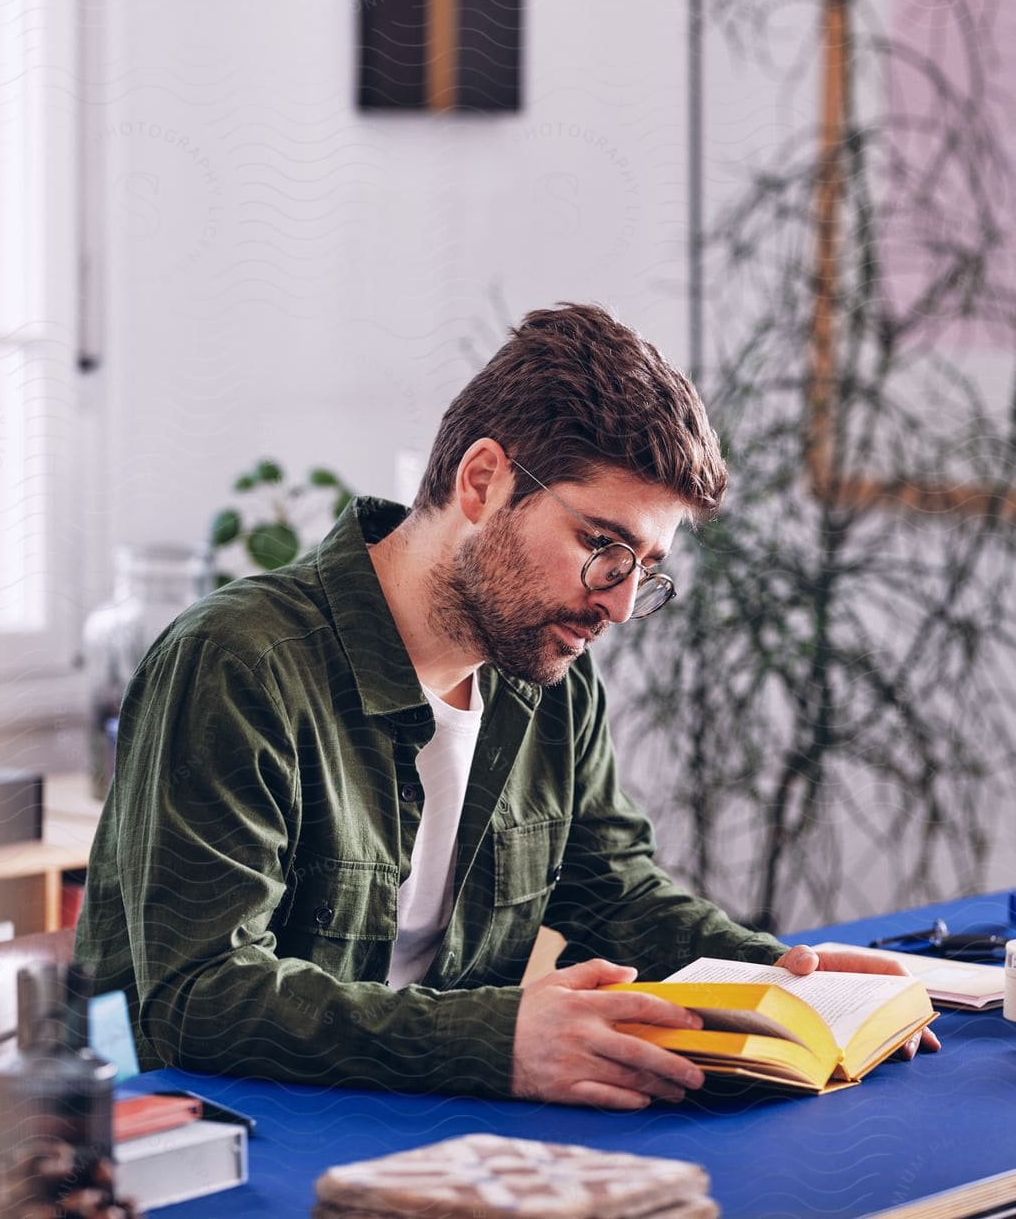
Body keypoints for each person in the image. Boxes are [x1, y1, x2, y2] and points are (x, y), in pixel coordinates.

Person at [76, 302, 936, 1108]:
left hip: (437, 1127)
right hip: (240, 1142)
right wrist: (497, 1040)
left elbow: (613, 893)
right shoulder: (240, 662)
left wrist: (789, 981)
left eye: (645, 570)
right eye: (603, 547)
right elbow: (196, 1001)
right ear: (482, 482)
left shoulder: (547, 675)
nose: (619, 605)